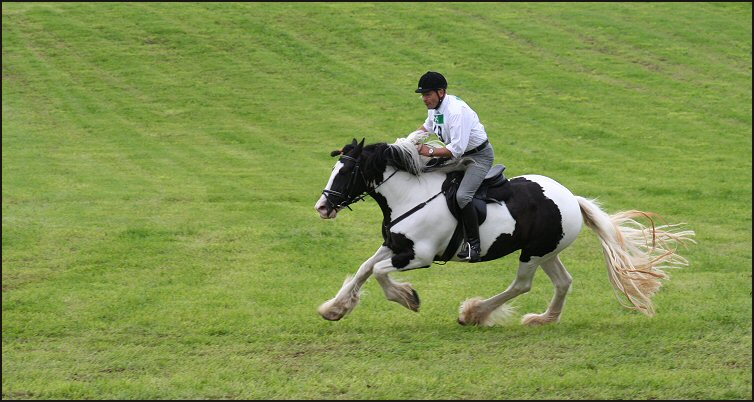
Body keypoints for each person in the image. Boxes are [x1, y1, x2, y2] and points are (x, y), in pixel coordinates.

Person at [414, 71, 495, 263]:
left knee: (462, 196)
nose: (424, 99)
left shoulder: (457, 111)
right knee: (426, 174)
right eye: (423, 95)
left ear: (440, 92)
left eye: (427, 94)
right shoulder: (436, 107)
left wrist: (429, 152)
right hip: (460, 155)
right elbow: (427, 128)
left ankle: (473, 245)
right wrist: (408, 142)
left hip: (478, 157)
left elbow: (456, 149)